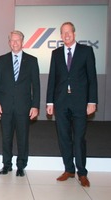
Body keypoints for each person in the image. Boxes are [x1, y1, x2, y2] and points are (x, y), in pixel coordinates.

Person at [46, 22, 98, 187]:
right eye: (63, 33)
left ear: (74, 34)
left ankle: (82, 172)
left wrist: (92, 101)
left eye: (69, 32)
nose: (66, 35)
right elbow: (52, 79)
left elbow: (92, 79)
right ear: (60, 36)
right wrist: (50, 102)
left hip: (80, 103)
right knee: (64, 137)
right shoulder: (56, 53)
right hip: (61, 103)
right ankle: (69, 169)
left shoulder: (86, 51)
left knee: (79, 138)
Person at [0, 30, 40, 177]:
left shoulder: (32, 60)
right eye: (12, 40)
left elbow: (36, 85)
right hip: (5, 106)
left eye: (17, 40)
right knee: (6, 137)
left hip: (24, 107)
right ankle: (6, 165)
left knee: (22, 137)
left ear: (22, 41)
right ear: (9, 42)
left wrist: (35, 105)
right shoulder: (2, 60)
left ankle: (21, 165)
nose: (14, 43)